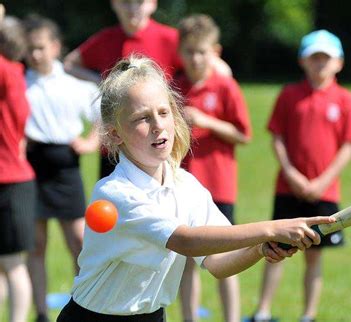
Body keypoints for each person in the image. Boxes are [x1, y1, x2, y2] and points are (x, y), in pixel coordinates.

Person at [55, 55, 336, 322]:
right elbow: (185, 241)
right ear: (115, 134)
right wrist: (271, 229)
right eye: (143, 118)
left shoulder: (186, 186)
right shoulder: (115, 193)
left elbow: (218, 263)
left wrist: (260, 249)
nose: (158, 126)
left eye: (163, 112)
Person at [250, 30, 351, 322]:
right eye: (315, 58)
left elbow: (348, 147)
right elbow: (277, 138)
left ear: (339, 62)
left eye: (326, 58)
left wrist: (322, 182)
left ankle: (308, 315)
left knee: (314, 255)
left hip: (324, 192)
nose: (320, 64)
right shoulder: (290, 95)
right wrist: (292, 174)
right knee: (275, 249)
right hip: (288, 188)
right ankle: (263, 311)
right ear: (303, 61)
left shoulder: (346, 100)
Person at [63, 0, 231, 178]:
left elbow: (220, 69)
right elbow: (69, 63)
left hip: (155, 141)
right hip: (116, 145)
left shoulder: (169, 38)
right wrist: (102, 81)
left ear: (153, 4)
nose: (133, 9)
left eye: (140, 2)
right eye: (126, 3)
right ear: (114, 4)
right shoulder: (106, 39)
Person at [22, 15, 100, 322]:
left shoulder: (73, 84)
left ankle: (85, 307)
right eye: (30, 49)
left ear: (55, 47)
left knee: (79, 242)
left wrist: (91, 142)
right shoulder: (21, 80)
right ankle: (41, 312)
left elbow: (100, 115)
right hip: (32, 166)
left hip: (66, 167)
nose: (35, 54)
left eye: (41, 47)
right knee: (36, 245)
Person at [174, 14, 251, 322]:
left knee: (226, 258)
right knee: (186, 260)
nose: (195, 58)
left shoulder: (226, 87)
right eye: (189, 51)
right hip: (181, 185)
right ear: (180, 52)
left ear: (215, 51)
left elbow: (244, 134)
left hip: (218, 185)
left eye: (202, 51)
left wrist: (209, 122)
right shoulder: (174, 86)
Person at [0, 11, 35, 322]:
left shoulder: (5, 71)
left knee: (12, 264)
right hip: (12, 180)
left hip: (9, 181)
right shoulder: (15, 72)